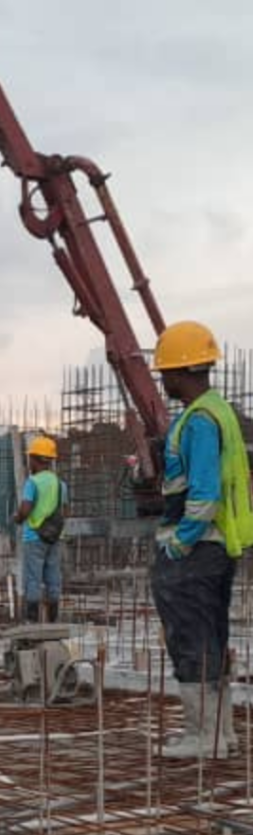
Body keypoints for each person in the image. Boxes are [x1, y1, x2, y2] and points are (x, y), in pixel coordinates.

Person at [150, 321, 253, 759]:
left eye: (165, 372)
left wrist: (180, 542)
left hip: (196, 547)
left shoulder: (198, 421)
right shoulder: (219, 410)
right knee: (210, 637)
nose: (162, 380)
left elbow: (205, 493)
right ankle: (220, 735)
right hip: (217, 547)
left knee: (189, 638)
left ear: (180, 371)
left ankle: (202, 737)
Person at [13, 435, 68, 623]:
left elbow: (25, 509)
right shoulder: (60, 484)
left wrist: (17, 518)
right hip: (55, 537)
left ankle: (32, 619)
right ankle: (53, 619)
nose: (29, 462)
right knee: (53, 576)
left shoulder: (32, 482)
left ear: (35, 459)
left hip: (34, 537)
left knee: (33, 578)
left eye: (30, 458)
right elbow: (65, 511)